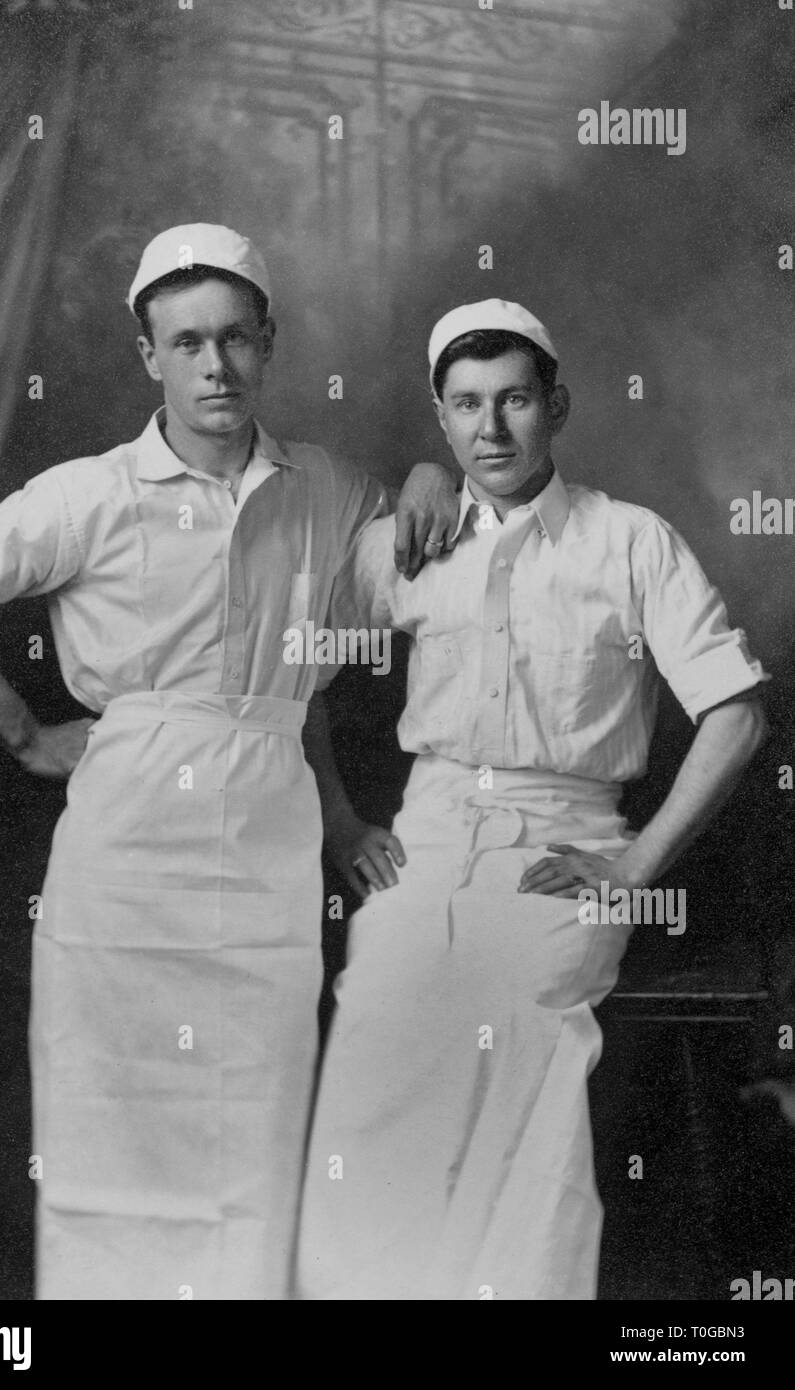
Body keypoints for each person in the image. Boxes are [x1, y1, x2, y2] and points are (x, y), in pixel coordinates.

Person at [0, 224, 459, 1301]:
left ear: (269, 344)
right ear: (148, 353)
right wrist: (23, 732)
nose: (216, 365)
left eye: (236, 339)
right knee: (112, 1132)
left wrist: (432, 471)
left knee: (249, 1134)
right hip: (129, 854)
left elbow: (333, 660)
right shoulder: (92, 493)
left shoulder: (326, 486)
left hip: (265, 859)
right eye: (188, 341)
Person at [296, 297, 769, 1300]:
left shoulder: (631, 541)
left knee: (517, 1029)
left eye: (514, 399)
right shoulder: (405, 543)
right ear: (441, 415)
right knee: (380, 1015)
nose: (491, 427)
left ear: (557, 403)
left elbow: (737, 712)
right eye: (466, 405)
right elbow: (289, 670)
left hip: (567, 833)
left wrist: (636, 867)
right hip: (427, 836)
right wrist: (341, 822)